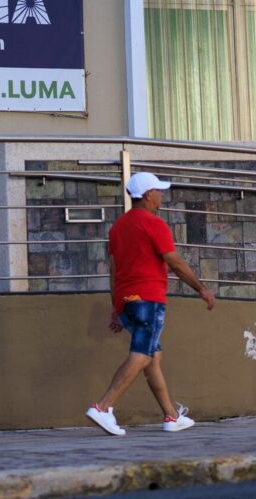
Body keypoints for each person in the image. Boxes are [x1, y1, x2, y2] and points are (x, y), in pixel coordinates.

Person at [86, 171, 215, 436]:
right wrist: (201, 289)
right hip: (148, 299)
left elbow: (114, 270)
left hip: (127, 300)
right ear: (147, 195)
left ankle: (171, 416)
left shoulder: (118, 227)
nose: (161, 196)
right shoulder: (154, 224)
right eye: (158, 191)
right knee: (142, 354)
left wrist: (116, 308)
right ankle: (103, 407)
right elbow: (175, 262)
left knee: (152, 356)